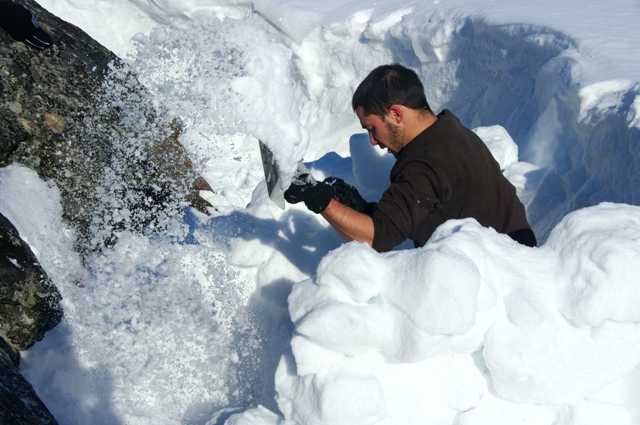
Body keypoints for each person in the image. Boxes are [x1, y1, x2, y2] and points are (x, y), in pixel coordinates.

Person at [285, 63, 537, 252]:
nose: (372, 141)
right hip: (514, 257)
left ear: (396, 114)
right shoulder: (449, 131)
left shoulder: (425, 162)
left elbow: (378, 238)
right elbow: (423, 208)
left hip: (501, 284)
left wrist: (319, 200)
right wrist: (363, 209)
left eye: (372, 128)